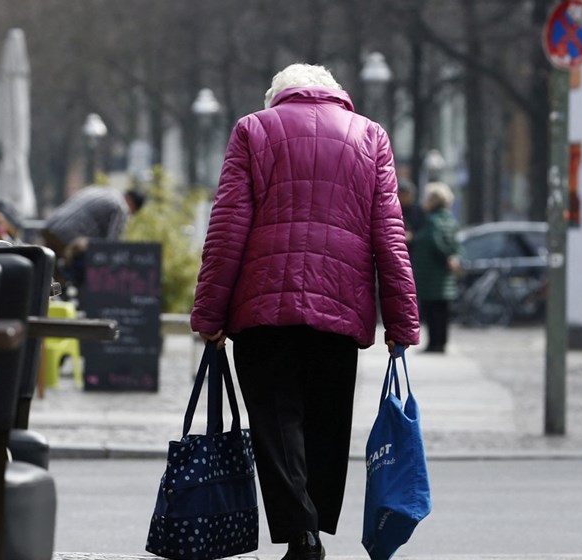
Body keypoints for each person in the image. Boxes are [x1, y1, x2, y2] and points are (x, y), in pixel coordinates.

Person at [190, 63, 420, 560]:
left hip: (264, 309)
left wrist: (208, 315)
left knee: (276, 423)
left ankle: (302, 532)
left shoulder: (253, 130)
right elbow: (390, 236)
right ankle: (310, 526)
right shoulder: (371, 138)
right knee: (326, 421)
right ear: (336, 95)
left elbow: (227, 229)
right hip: (340, 308)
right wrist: (401, 322)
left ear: (279, 96)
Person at [41, 186, 145, 286]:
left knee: (50, 279)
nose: (129, 216)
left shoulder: (102, 191)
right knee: (80, 273)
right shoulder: (121, 206)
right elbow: (113, 246)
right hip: (67, 236)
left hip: (49, 227)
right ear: (132, 204)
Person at [412, 181, 461, 353]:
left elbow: (434, 242)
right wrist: (452, 258)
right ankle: (441, 343)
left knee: (432, 311)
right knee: (443, 311)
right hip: (445, 275)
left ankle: (434, 344)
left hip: (431, 274)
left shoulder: (432, 220)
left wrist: (444, 257)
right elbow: (456, 244)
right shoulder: (450, 219)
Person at [398, 178, 425, 251]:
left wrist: (413, 236)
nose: (405, 198)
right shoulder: (395, 209)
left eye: (407, 195)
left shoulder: (419, 210)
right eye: (402, 195)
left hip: (415, 250)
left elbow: (424, 231)